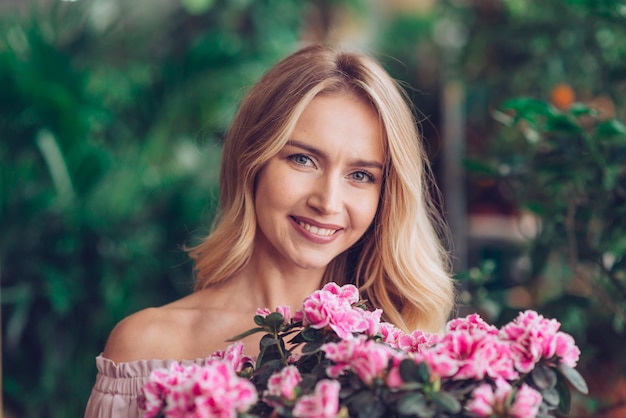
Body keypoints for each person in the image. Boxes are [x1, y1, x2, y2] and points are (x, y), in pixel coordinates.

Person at [84, 44, 456, 417]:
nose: (327, 202)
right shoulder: (144, 348)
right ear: (253, 161)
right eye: (302, 159)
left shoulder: (404, 359)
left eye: (360, 175)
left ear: (385, 195)